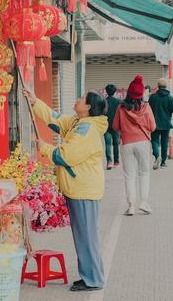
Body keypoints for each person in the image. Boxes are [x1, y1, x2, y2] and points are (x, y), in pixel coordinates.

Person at [23, 88, 108, 292]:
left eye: (81, 99)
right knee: (84, 236)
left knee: (87, 237)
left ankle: (93, 279)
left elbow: (66, 155)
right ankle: (89, 276)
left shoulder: (87, 130)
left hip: (84, 190)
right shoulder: (80, 123)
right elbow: (57, 120)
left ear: (88, 107)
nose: (77, 100)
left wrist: (44, 148)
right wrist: (35, 102)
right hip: (79, 188)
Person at [113, 75, 156, 216]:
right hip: (143, 143)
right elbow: (153, 127)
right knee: (144, 173)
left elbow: (115, 126)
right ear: (141, 94)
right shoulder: (146, 107)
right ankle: (144, 202)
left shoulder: (121, 108)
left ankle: (131, 205)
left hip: (126, 144)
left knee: (129, 175)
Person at [148, 78, 173, 169]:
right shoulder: (169, 97)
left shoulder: (153, 97)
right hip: (166, 124)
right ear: (165, 86)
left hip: (154, 123)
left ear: (158, 86)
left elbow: (148, 109)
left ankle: (157, 156)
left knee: (155, 141)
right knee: (164, 143)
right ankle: (163, 162)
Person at [103, 84, 121, 170]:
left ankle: (109, 162)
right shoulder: (118, 102)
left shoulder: (103, 101)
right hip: (116, 126)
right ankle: (116, 162)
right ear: (115, 92)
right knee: (116, 144)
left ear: (106, 91)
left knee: (108, 144)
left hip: (106, 126)